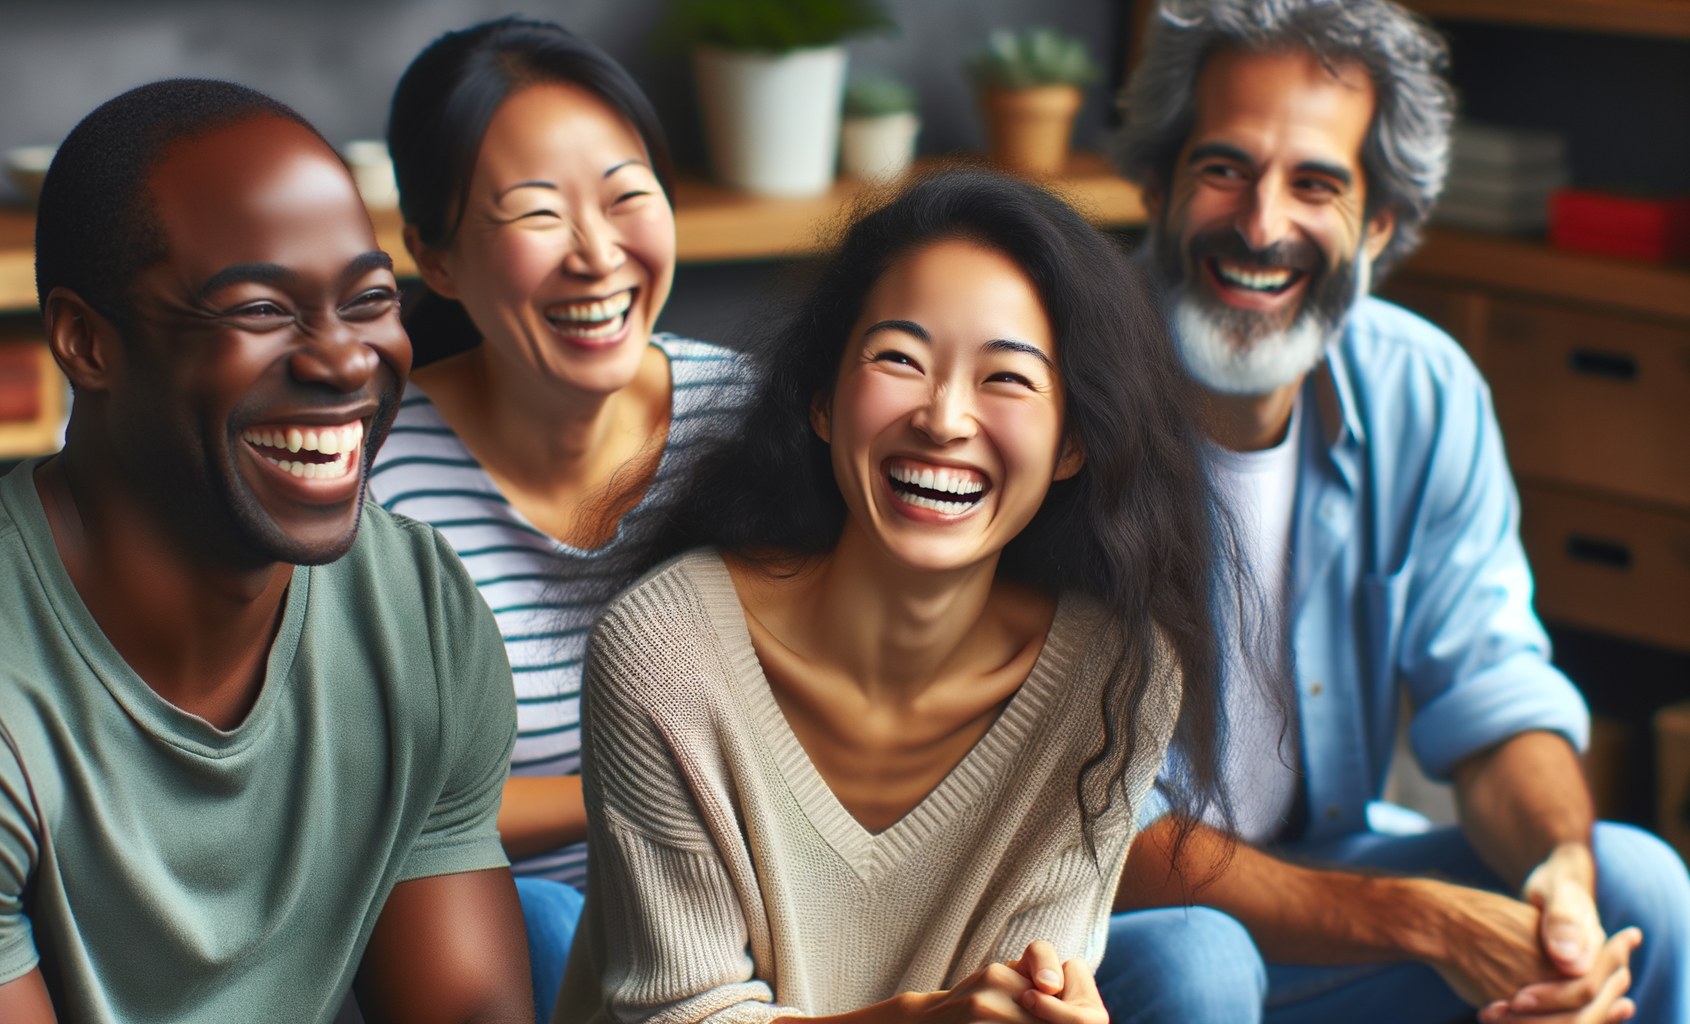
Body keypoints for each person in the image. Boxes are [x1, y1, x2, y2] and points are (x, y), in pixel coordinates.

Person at [1094, 2, 1690, 1022]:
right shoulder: (1056, 393)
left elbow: (1494, 688)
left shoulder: (1424, 388)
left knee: (1639, 887)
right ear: (1156, 181)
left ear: (1376, 226)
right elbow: (1096, 833)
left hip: (1324, 889)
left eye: (1315, 183)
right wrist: (1427, 920)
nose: (1262, 223)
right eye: (1224, 168)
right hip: (1115, 928)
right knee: (1202, 964)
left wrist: (1561, 880)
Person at [0, 81, 530, 1024]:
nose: (346, 360)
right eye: (263, 310)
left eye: (367, 300)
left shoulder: (420, 612)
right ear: (85, 342)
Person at [551, 169, 1230, 1024]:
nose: (944, 417)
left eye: (1008, 379)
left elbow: (1030, 985)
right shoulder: (664, 649)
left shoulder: (1115, 677)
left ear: (1073, 444)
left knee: (1204, 960)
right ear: (824, 401)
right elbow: (684, 1014)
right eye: (899, 360)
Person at [370, 20, 750, 1018]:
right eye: (537, 214)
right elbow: (381, 808)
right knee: (540, 918)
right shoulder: (370, 476)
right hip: (490, 948)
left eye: (628, 197)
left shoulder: (753, 428)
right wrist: (647, 794)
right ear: (435, 255)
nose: (597, 253)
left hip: (751, 916)